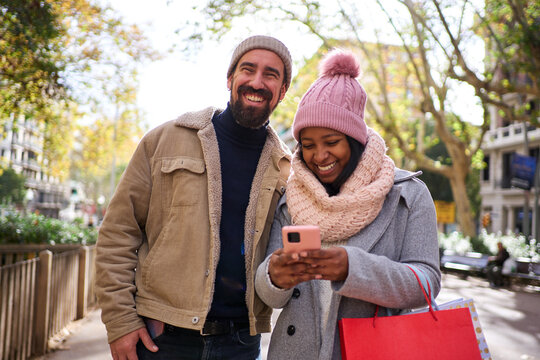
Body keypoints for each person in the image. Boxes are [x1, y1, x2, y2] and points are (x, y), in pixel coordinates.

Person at [95, 35, 293, 360]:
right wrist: (120, 322)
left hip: (241, 345)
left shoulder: (286, 168)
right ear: (230, 79)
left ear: (282, 90)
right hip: (161, 339)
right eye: (248, 69)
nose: (257, 82)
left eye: (271, 74)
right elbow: (118, 234)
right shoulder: (165, 140)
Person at [254, 50, 441, 359]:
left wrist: (353, 268)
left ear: (354, 139)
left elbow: (426, 284)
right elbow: (270, 293)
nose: (319, 157)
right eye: (309, 145)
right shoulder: (291, 199)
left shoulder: (408, 195)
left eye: (331, 142)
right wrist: (273, 276)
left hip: (376, 350)